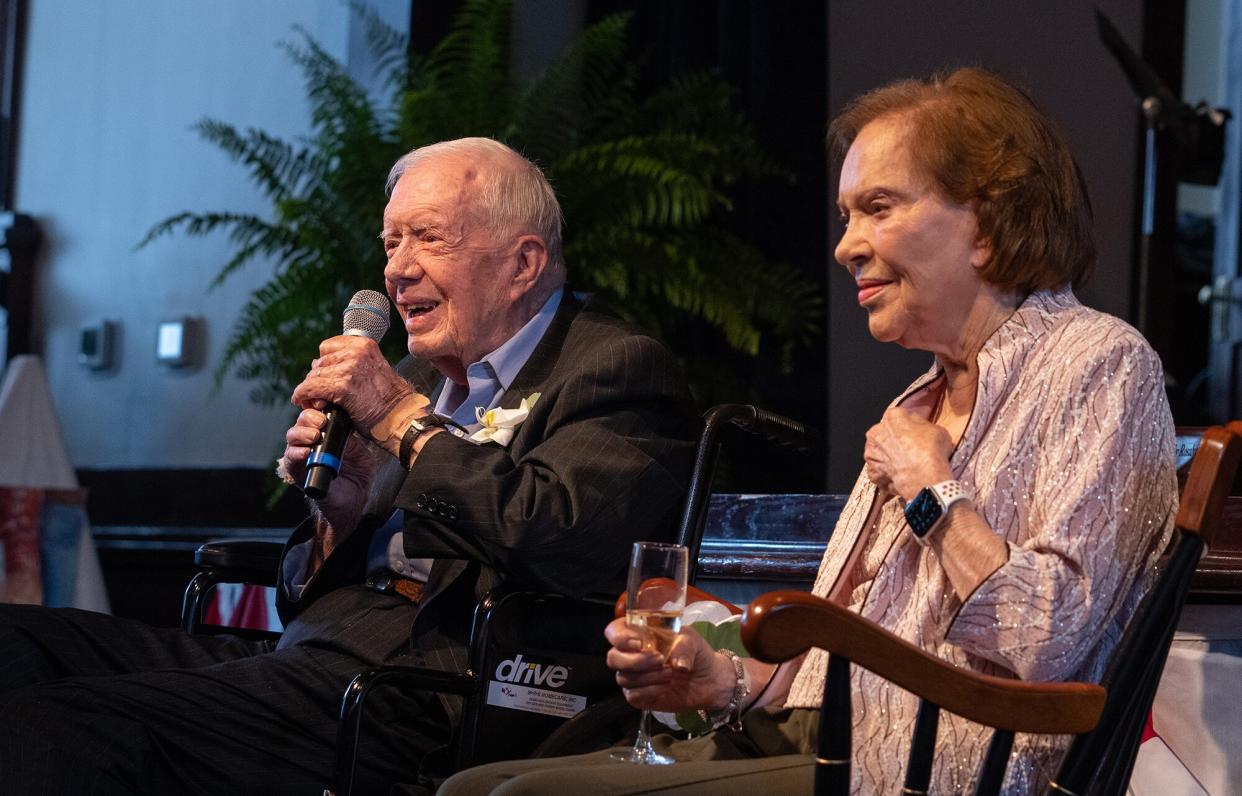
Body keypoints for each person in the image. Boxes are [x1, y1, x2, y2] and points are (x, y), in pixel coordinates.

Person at [441, 68, 1178, 795]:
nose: (846, 245)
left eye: (878, 208)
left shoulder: (1098, 361)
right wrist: (718, 676)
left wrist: (930, 492)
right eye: (847, 215)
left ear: (986, 223)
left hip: (920, 771)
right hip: (816, 743)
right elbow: (835, 659)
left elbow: (1047, 641)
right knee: (473, 787)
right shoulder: (918, 402)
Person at [0, 137, 700, 794]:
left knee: (63, 723)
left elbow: (560, 537)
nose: (397, 267)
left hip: (430, 693)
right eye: (391, 241)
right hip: (308, 655)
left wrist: (400, 421)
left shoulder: (612, 368)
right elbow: (304, 594)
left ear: (523, 263)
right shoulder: (418, 375)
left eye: (429, 237)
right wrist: (343, 509)